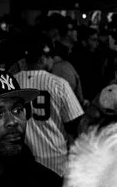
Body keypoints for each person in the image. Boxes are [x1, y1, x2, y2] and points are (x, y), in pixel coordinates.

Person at [9, 36, 85, 176]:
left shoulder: (12, 82)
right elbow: (75, 123)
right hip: (54, 160)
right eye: (51, 57)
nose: (53, 61)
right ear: (43, 59)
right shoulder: (59, 84)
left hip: (21, 159)